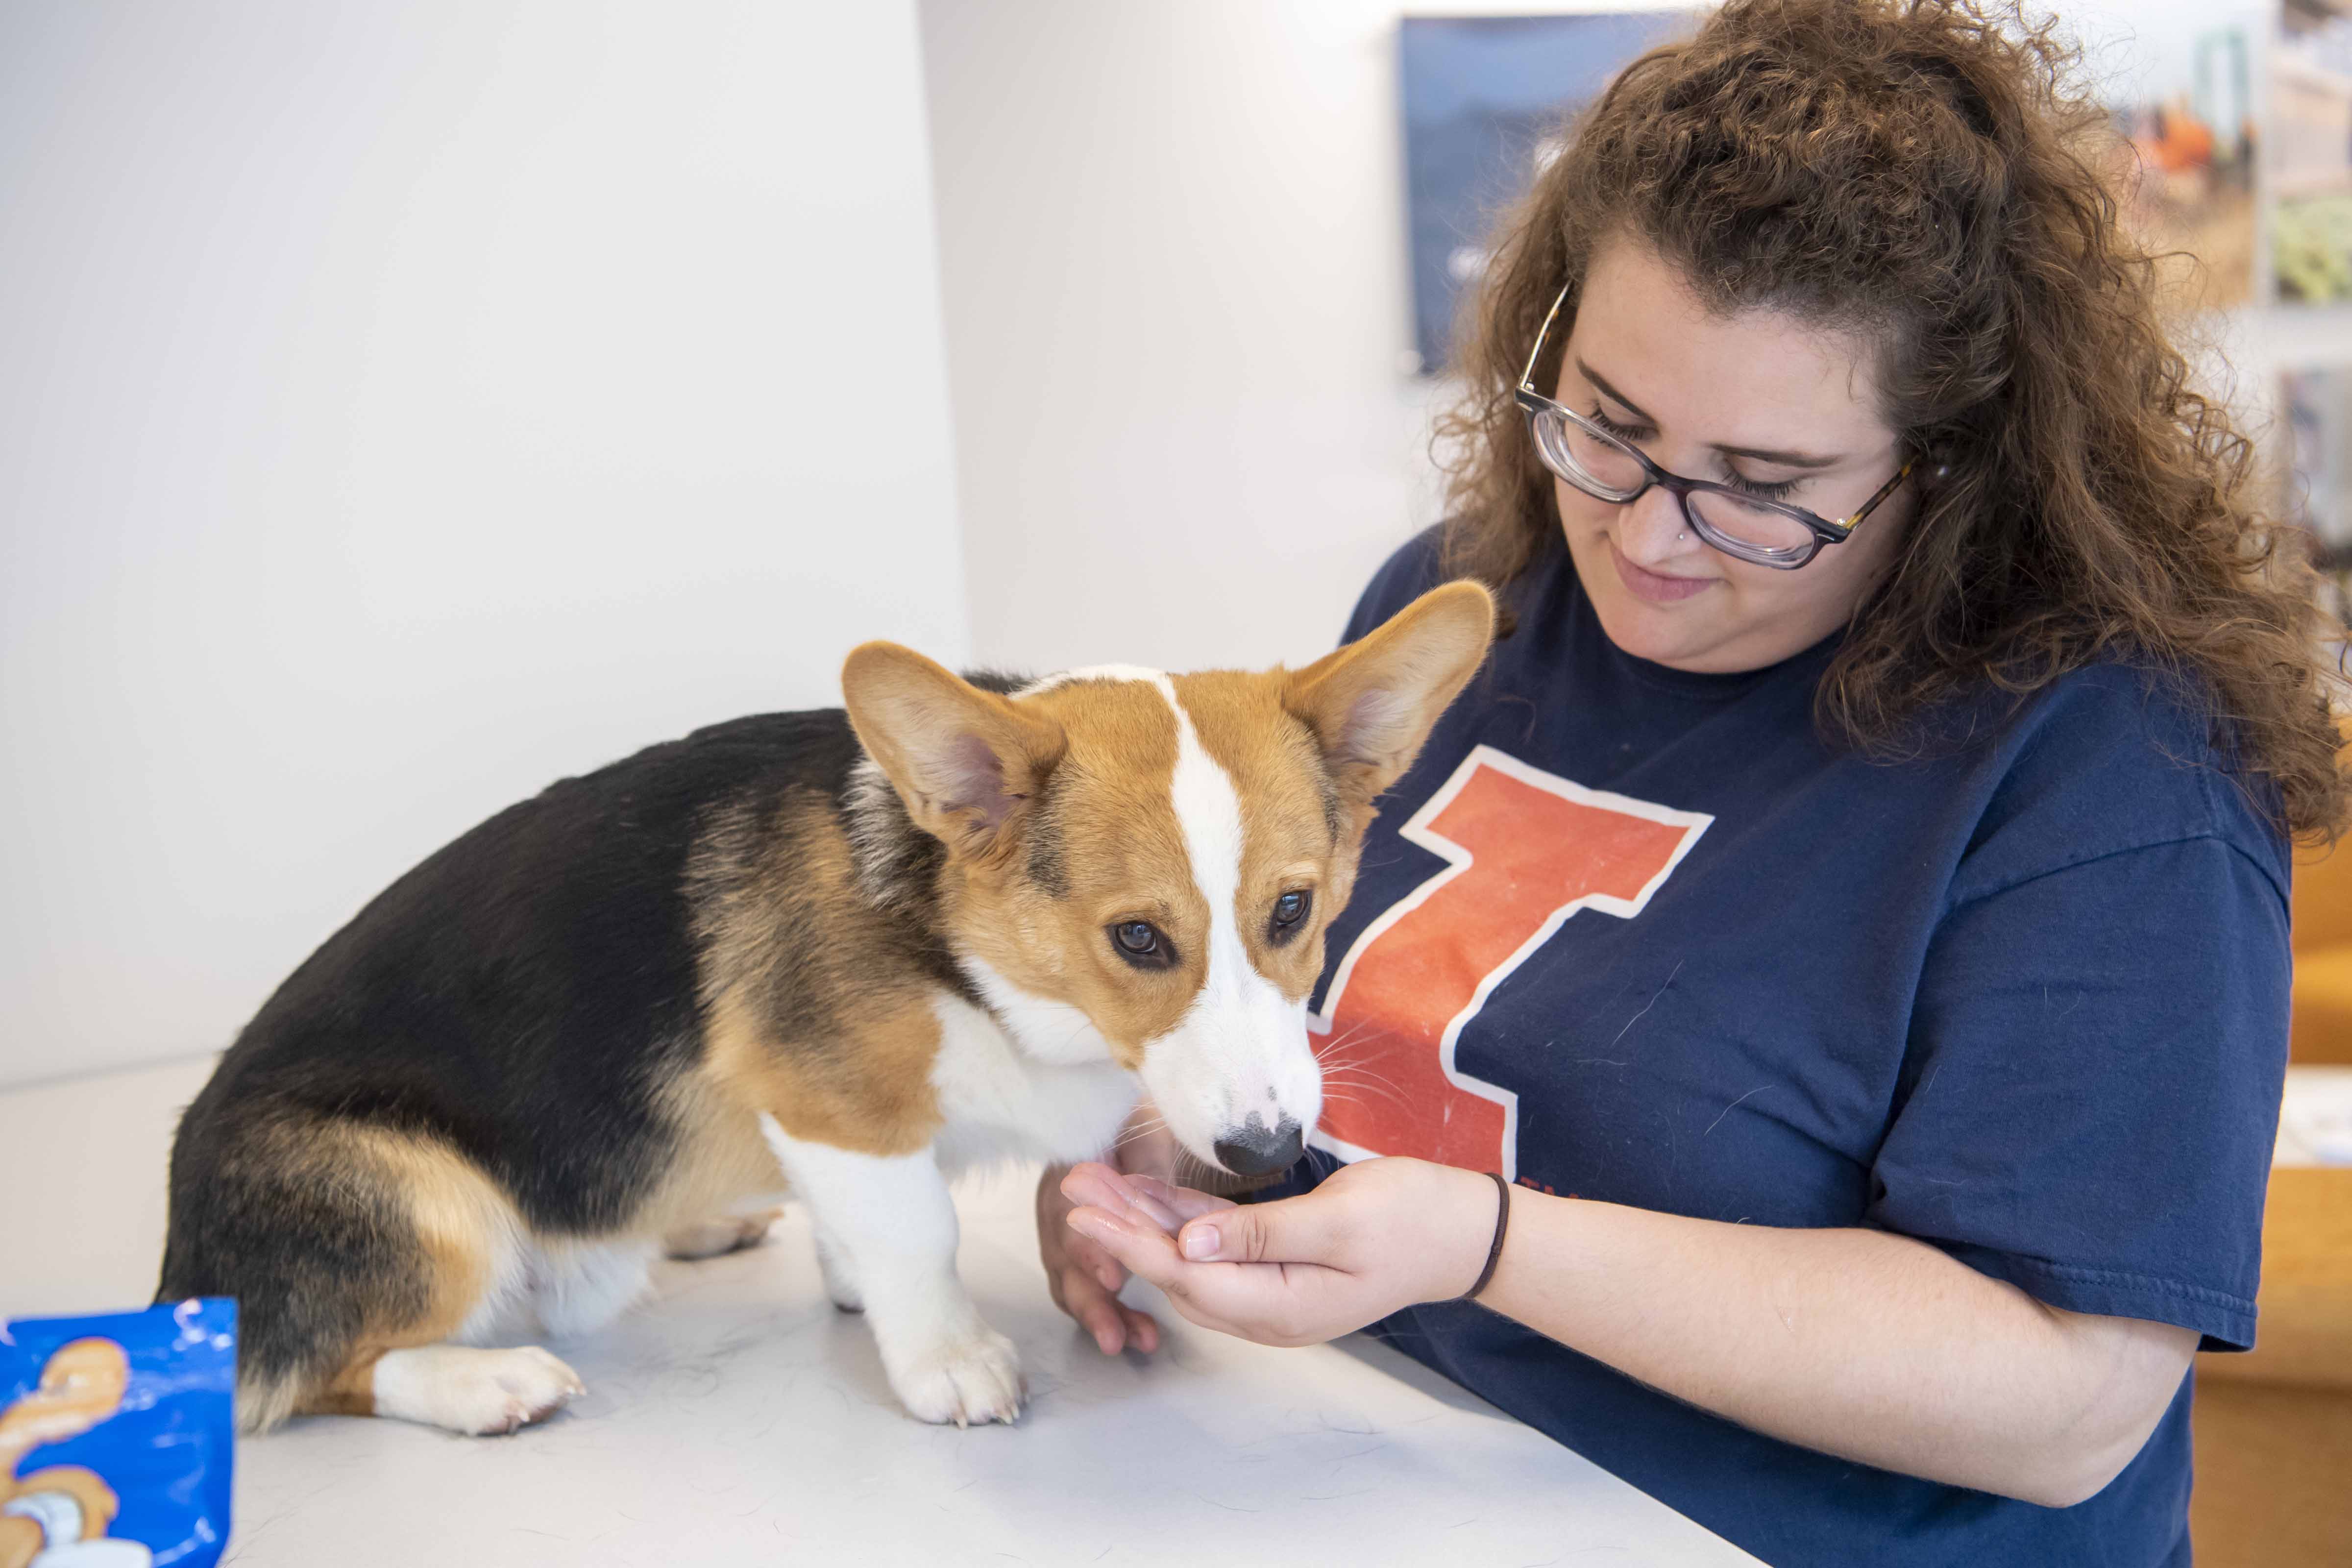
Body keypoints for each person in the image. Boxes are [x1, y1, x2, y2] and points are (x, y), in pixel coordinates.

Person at [1033, 2, 2347, 1563]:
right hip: (1394, 1490)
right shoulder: (1466, 599)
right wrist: (1167, 1167)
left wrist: (1484, 1245)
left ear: (1948, 469)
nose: (1647, 540)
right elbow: (1324, 1034)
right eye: (1609, 425)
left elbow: (2063, 1402)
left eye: (1764, 491)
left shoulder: (2113, 762)